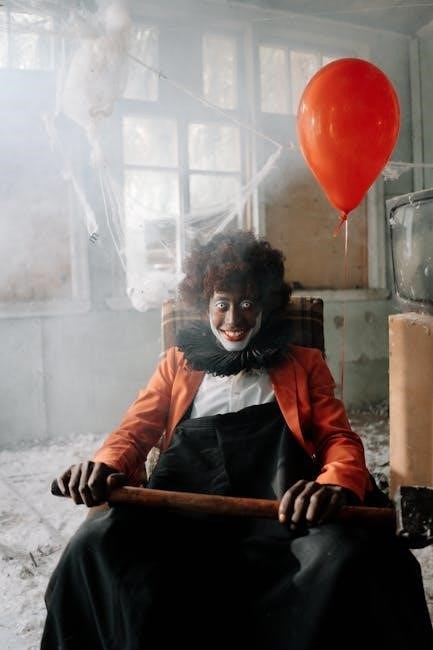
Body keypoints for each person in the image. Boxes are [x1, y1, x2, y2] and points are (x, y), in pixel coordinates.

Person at [41, 230, 433, 650]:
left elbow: (338, 438)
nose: (234, 319)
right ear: (205, 305)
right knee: (92, 546)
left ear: (265, 305)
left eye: (247, 304)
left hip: (280, 522)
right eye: (222, 304)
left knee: (354, 557)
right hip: (179, 522)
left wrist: (335, 484)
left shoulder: (304, 363)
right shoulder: (176, 364)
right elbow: (133, 431)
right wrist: (105, 465)